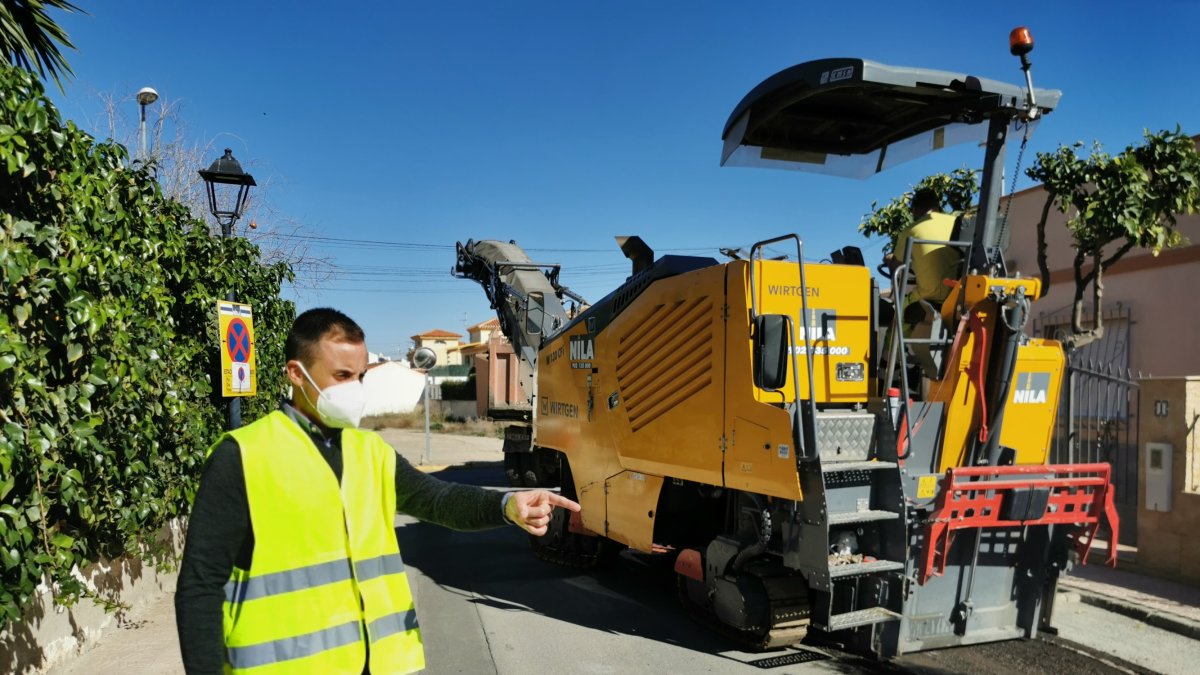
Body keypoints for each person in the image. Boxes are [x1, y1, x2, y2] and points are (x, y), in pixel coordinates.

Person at [175, 308, 580, 675]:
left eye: (361, 375)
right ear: (296, 374)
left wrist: (507, 505)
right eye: (341, 376)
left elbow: (436, 499)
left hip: (377, 665)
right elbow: (200, 585)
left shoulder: (370, 452)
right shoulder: (243, 455)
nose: (355, 388)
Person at [881, 188, 960, 331]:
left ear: (914, 210)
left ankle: (892, 352)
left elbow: (896, 270)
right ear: (937, 206)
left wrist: (890, 259)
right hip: (958, 295)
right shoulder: (957, 223)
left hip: (930, 296)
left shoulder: (911, 230)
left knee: (897, 315)